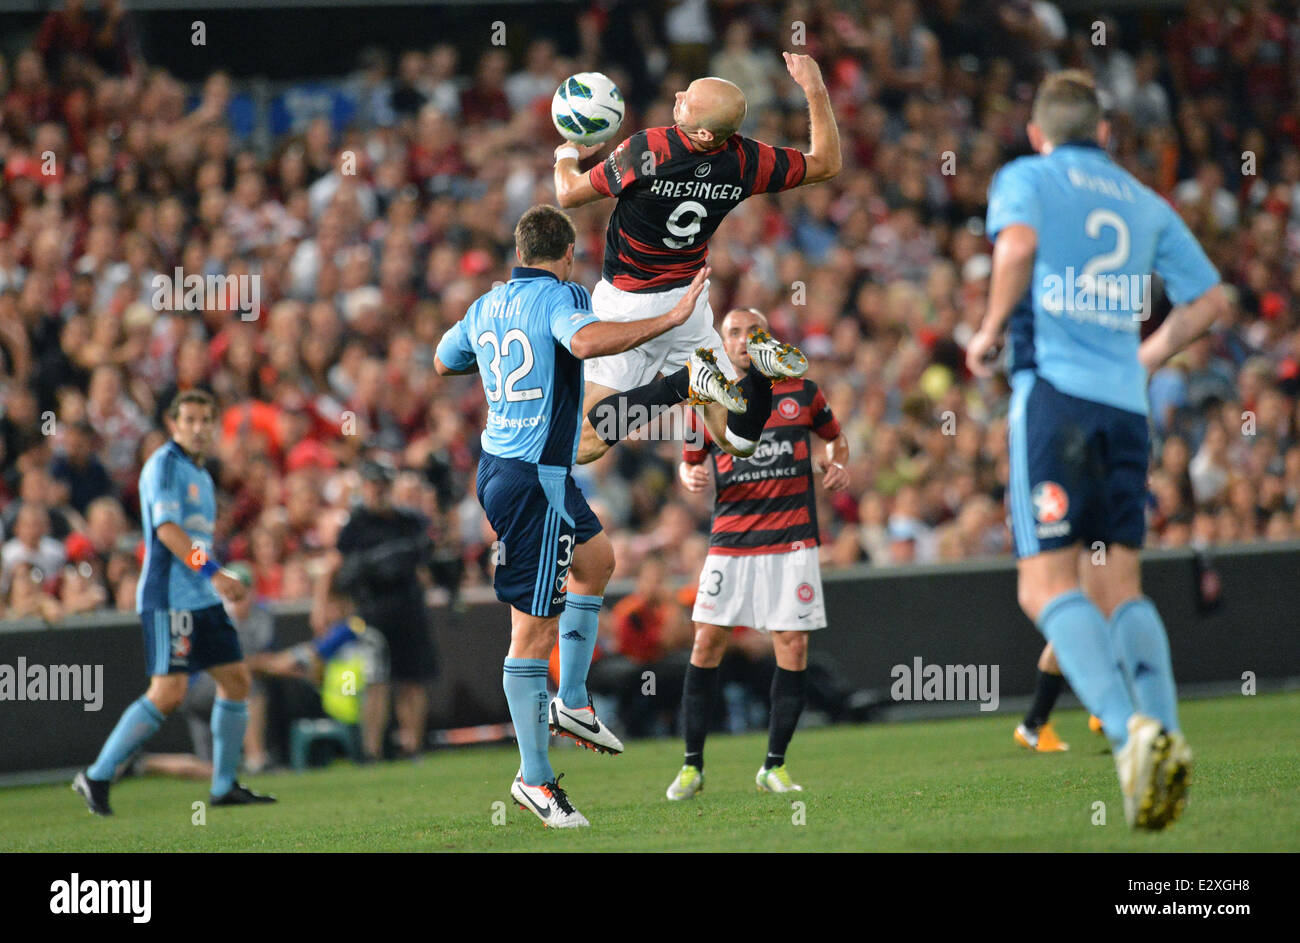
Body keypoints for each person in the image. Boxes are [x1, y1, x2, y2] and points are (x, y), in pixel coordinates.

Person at [966, 71, 1229, 830]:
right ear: (1107, 134)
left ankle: (1128, 735)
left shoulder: (1028, 175)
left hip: (1054, 397)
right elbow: (1211, 302)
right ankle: (1167, 731)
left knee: (1043, 586)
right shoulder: (1145, 200)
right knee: (1119, 585)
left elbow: (1015, 245)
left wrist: (987, 331)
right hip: (1126, 407)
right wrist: (1150, 356)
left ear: (1040, 132)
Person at [433, 204, 707, 828]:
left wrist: (499, 359)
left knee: (598, 560)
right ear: (566, 255)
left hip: (512, 468)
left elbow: (444, 359)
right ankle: (535, 780)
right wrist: (671, 318)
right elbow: (583, 341)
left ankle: (574, 700)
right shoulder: (559, 296)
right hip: (533, 480)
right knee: (530, 635)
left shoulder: (487, 304)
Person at [553, 53, 841, 465]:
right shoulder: (746, 161)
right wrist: (814, 87)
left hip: (626, 307)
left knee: (579, 445)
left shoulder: (647, 149)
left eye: (686, 101)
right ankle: (758, 374)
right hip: (689, 304)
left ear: (705, 133)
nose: (677, 95)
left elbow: (568, 195)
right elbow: (828, 164)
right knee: (739, 442)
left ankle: (684, 382)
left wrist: (567, 152)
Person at [666, 307, 848, 799]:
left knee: (792, 644)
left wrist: (835, 464)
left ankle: (774, 765)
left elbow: (836, 441)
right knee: (706, 643)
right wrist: (691, 475)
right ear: (723, 344)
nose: (745, 339)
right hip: (732, 540)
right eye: (735, 332)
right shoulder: (705, 399)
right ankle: (691, 766)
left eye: (754, 332)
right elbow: (688, 466)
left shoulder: (803, 392)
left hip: (792, 540)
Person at [73, 390, 275, 816]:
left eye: (207, 420)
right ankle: (97, 774)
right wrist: (215, 573)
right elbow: (167, 532)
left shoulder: (200, 473)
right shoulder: (163, 465)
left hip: (202, 598)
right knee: (168, 692)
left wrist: (210, 579)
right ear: (173, 424)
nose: (199, 428)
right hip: (170, 598)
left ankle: (223, 786)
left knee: (237, 680)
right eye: (191, 420)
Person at [313, 455, 437, 757]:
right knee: (376, 682)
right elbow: (334, 567)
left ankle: (413, 747)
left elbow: (426, 569)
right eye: (372, 484)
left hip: (408, 608)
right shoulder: (355, 525)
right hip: (371, 612)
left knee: (412, 681)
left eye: (382, 484)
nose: (377, 490)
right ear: (364, 487)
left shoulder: (409, 521)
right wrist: (323, 606)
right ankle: (372, 751)